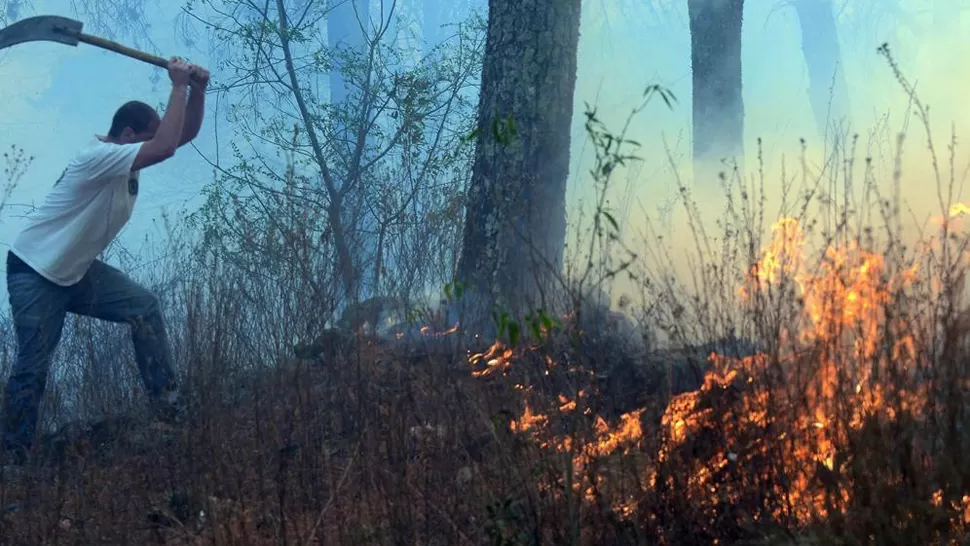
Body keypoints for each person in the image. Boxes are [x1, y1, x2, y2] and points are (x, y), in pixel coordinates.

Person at [0, 58, 209, 465]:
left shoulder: (127, 152)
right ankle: (13, 460)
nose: (150, 150)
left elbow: (178, 137)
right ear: (127, 135)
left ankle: (168, 410)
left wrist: (197, 90)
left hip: (73, 272)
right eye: (144, 140)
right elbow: (165, 146)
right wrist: (178, 86)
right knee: (34, 365)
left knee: (143, 308)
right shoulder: (99, 154)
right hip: (36, 271)